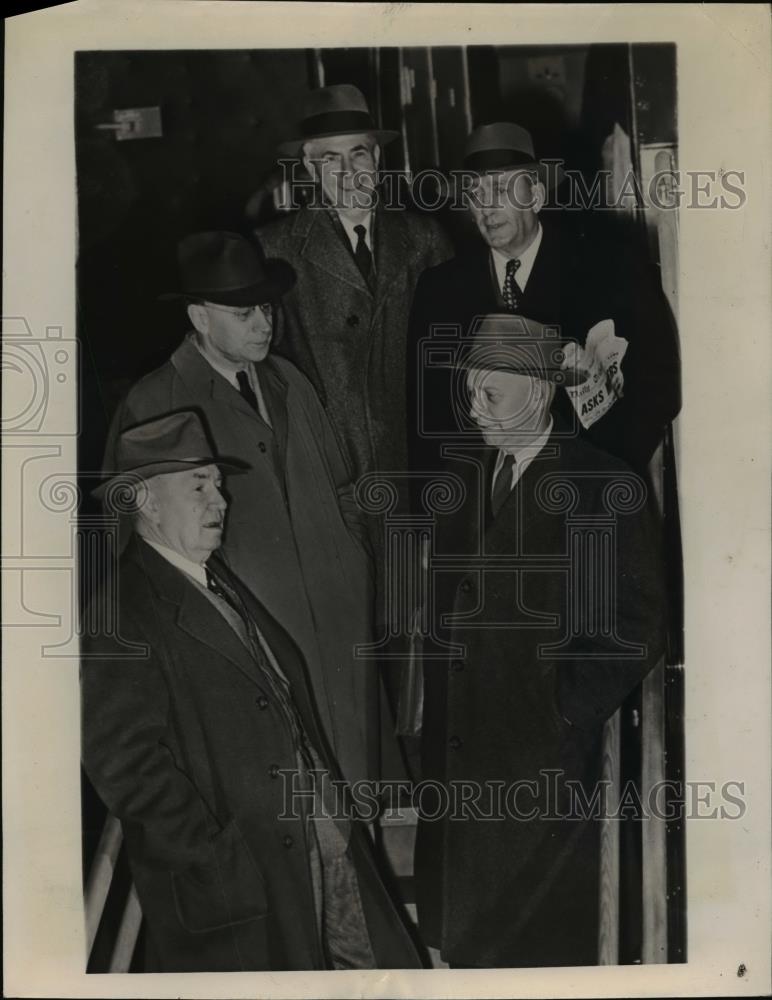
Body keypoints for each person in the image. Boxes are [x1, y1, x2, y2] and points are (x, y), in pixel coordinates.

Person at [82, 411, 421, 972]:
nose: (220, 500)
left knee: (374, 971)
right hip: (245, 871)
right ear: (145, 500)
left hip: (317, 835)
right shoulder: (122, 609)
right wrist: (211, 856)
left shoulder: (210, 577)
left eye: (218, 484)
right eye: (198, 486)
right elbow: (122, 763)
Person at [414, 315, 666, 967]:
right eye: (469, 392)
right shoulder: (464, 476)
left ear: (542, 391)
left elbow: (637, 623)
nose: (476, 409)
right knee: (466, 940)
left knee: (528, 943)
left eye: (491, 394)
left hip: (541, 765)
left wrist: (562, 708)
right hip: (463, 753)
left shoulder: (602, 485)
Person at [102, 231, 382, 789]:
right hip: (245, 640)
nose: (264, 323)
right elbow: (125, 542)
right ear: (199, 317)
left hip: (337, 625)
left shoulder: (290, 380)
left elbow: (344, 487)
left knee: (353, 792)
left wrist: (352, 563)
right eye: (243, 312)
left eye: (267, 308)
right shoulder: (155, 400)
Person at [407, 121, 681, 493]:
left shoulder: (610, 271)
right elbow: (427, 415)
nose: (487, 207)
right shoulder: (440, 289)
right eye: (475, 193)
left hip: (586, 492)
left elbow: (659, 387)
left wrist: (607, 474)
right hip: (485, 502)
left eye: (501, 189)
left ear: (536, 196)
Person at [257, 83, 453, 490]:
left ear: (377, 159)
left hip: (419, 469)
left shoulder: (426, 239)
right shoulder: (273, 250)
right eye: (331, 159)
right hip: (330, 476)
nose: (348, 173)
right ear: (310, 167)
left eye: (358, 154)